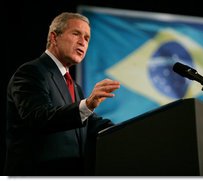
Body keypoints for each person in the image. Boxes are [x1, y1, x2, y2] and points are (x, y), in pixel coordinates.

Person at [4, 12, 120, 176]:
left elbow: (91, 124)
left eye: (87, 38)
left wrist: (132, 130)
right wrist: (86, 105)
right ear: (54, 37)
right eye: (76, 34)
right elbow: (38, 117)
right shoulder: (31, 73)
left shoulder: (74, 86)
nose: (82, 42)